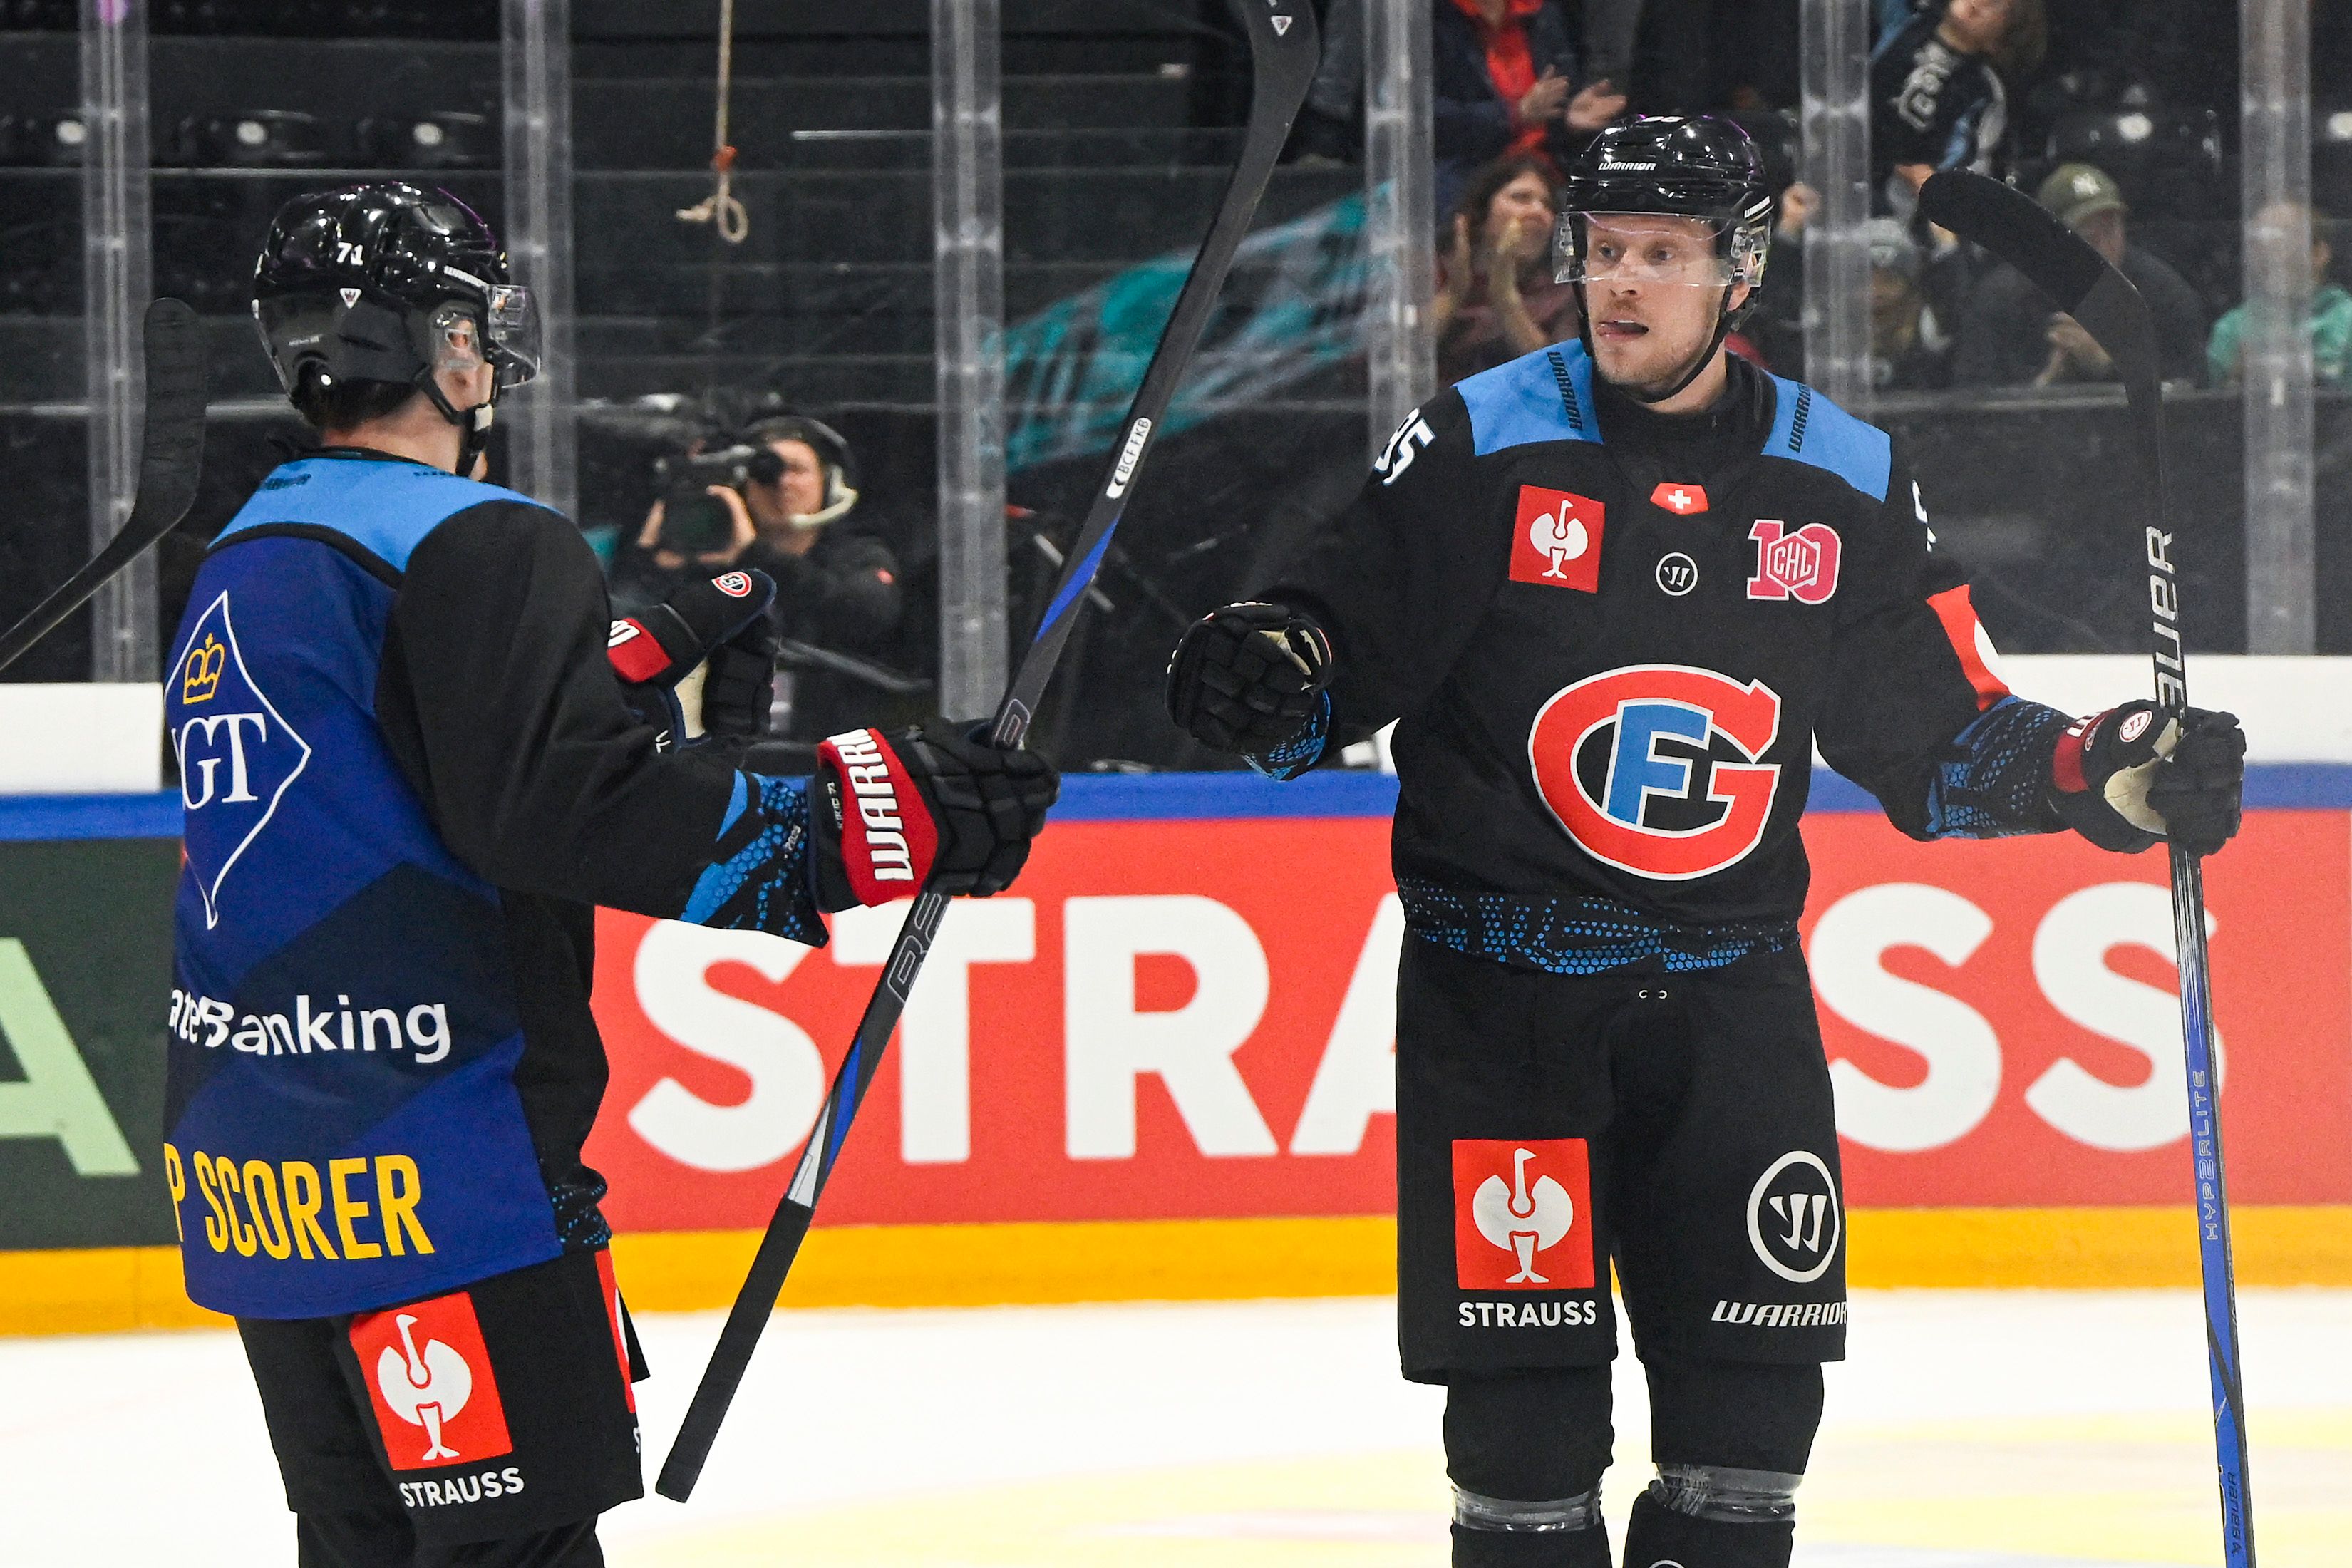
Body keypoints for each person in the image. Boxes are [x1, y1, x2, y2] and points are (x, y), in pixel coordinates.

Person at [1162, 116, 2244, 1568]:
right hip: (1506, 1008)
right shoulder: (1486, 438)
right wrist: (1276, 669)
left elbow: (1937, 741)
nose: (1618, 284)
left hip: (1735, 1005)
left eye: (1662, 255)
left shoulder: (1842, 476)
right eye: (1603, 251)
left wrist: (2097, 770)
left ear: (1740, 272)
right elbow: (1340, 648)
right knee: (1525, 1449)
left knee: (1748, 1443)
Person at [165, 181, 1058, 1567]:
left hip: (269, 1177)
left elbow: (406, 765)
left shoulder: (251, 544)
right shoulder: (475, 535)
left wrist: (610, 668)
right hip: (442, 1175)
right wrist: (885, 809)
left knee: (364, 1544)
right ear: (443, 348)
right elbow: (556, 808)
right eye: (469, 323)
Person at [726, 415, 907, 739]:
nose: (782, 482)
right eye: (765, 471)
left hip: (830, 747)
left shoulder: (861, 555)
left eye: (797, 470)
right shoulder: (715, 558)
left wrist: (757, 555)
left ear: (830, 482)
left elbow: (866, 613)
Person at [1953, 161, 2206, 386]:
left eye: (2111, 231)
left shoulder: (2162, 295)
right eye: (2086, 237)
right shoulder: (2001, 301)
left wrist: (2110, 367)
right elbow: (1973, 416)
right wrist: (2045, 385)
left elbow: (2191, 400)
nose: (2104, 248)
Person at [1434, 0, 1626, 219]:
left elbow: (1554, 108)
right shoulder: (1432, 20)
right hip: (1471, 174)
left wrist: (1565, 120)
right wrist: (1514, 115)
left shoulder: (1541, 12)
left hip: (1548, 172)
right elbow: (1427, 122)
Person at [1868, 0, 2044, 212]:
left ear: (1999, 43)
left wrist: (1931, 178)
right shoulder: (1909, 21)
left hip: (1894, 200)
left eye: (1996, 5)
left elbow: (1964, 160)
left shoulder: (1983, 89)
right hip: (1838, 141)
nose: (1980, 3)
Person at [1436, 157, 1580, 385]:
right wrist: (1455, 291)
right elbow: (1401, 355)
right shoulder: (1434, 272)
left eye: (1548, 205)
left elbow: (1563, 377)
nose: (1538, 212)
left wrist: (1504, 295)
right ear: (1481, 215)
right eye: (1521, 198)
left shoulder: (1563, 295)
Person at [2208, 201, 2352, 388]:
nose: (2268, 254)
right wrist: (2235, 380)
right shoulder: (2231, 329)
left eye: (2283, 240)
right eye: (2258, 243)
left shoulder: (2347, 321)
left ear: (2319, 253)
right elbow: (2207, 407)